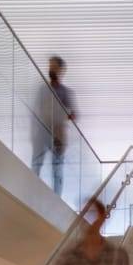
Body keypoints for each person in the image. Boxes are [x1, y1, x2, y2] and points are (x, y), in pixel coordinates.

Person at [31, 56, 77, 196]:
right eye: (50, 66)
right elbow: (36, 110)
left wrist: (62, 116)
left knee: (57, 167)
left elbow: (74, 114)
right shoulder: (42, 90)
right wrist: (33, 133)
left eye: (54, 67)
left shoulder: (66, 92)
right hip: (42, 131)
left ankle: (56, 197)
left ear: (61, 70)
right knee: (36, 164)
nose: (51, 69)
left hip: (58, 134)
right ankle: (32, 194)